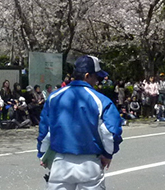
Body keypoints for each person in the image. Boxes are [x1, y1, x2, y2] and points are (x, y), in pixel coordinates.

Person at [37, 55, 122, 190]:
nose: (98, 81)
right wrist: (107, 154)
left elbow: (45, 130)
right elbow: (110, 133)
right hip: (89, 164)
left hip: (60, 162)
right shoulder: (101, 100)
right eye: (96, 77)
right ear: (87, 76)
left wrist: (42, 154)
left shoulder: (54, 97)